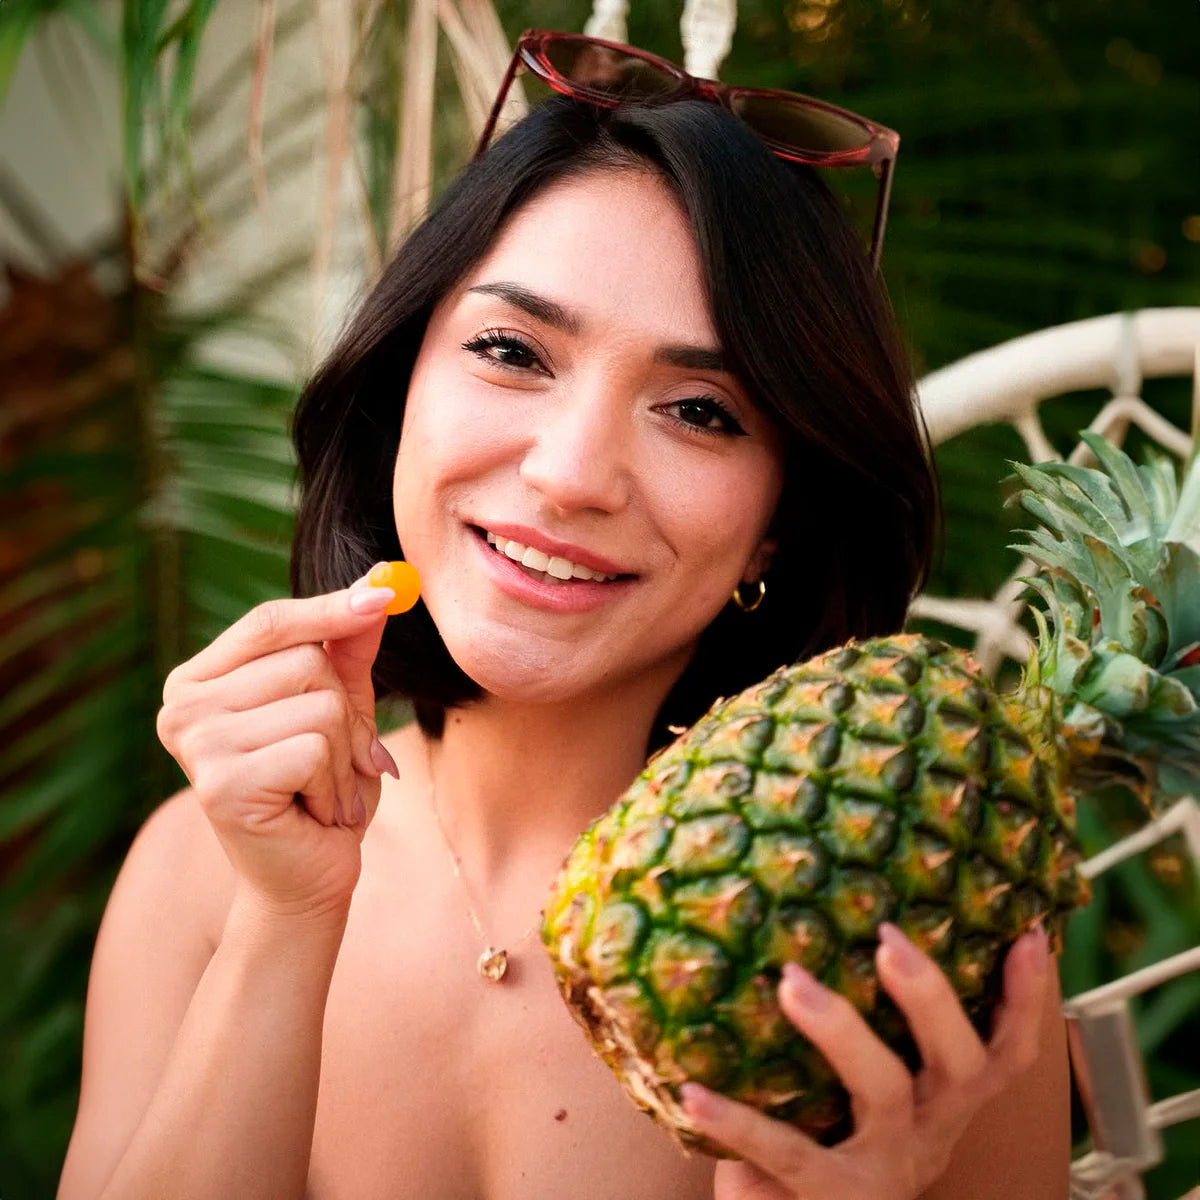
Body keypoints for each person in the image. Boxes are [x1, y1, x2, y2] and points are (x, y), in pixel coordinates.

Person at [58, 37, 1069, 1200]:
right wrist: (285, 920)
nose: (572, 474)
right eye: (511, 351)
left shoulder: (918, 953)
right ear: (400, 391)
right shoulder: (204, 866)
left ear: (780, 522)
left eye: (701, 411)